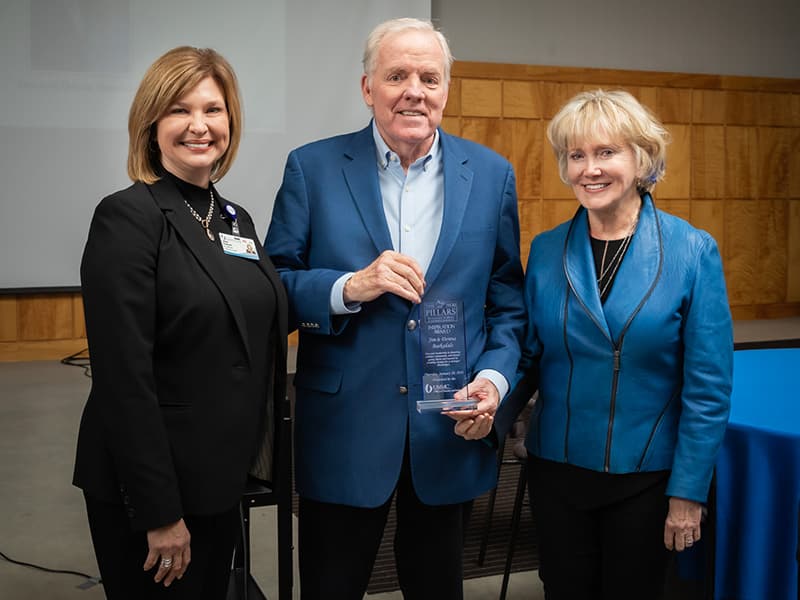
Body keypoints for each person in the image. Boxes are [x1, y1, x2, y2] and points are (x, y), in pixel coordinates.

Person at [265, 17, 525, 600]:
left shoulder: (490, 175)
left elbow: (508, 303)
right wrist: (348, 287)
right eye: (397, 75)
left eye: (429, 77)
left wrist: (492, 379)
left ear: (447, 91)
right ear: (367, 88)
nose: (415, 90)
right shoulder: (313, 168)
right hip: (346, 429)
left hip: (448, 427)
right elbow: (273, 287)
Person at [495, 89, 733, 599]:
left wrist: (688, 492)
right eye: (576, 155)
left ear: (641, 158)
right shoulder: (546, 249)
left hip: (647, 479)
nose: (589, 169)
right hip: (557, 472)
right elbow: (530, 357)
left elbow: (708, 389)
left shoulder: (692, 251)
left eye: (606, 153)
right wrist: (489, 408)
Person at [74, 46, 288, 599]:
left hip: (219, 479)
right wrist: (159, 511)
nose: (199, 126)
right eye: (179, 110)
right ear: (151, 123)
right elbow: (123, 379)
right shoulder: (128, 217)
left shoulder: (233, 217)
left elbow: (254, 316)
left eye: (213, 110)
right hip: (152, 489)